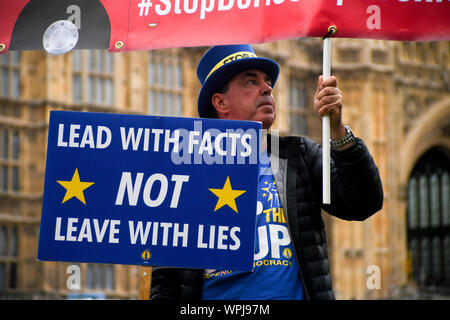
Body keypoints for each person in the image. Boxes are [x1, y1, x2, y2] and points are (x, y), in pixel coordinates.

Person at [150, 44, 383, 300]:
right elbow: (166, 285)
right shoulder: (186, 175)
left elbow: (363, 202)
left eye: (268, 81)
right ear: (220, 102)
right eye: (251, 82)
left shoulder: (299, 157)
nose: (267, 88)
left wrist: (338, 130)